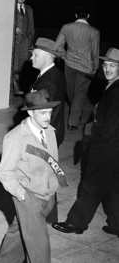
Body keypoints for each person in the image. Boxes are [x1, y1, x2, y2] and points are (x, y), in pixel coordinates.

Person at [53, 47, 119, 238]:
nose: (107, 69)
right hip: (113, 149)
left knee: (90, 186)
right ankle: (116, 224)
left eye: (112, 66)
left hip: (106, 148)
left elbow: (110, 127)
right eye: (106, 65)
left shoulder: (116, 92)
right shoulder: (112, 87)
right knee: (112, 187)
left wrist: (93, 144)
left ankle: (76, 222)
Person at [0, 89, 65, 263]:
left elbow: (53, 161)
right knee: (39, 246)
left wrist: (53, 186)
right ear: (31, 113)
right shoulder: (16, 137)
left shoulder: (50, 131)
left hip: (46, 194)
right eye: (43, 113)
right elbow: (4, 172)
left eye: (49, 112)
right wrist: (21, 195)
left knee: (18, 232)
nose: (47, 117)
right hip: (28, 196)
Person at [54, 7, 100, 130]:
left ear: (75, 15)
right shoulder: (94, 32)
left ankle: (73, 122)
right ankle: (88, 110)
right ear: (88, 16)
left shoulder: (66, 27)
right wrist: (95, 68)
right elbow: (95, 52)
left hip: (69, 65)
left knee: (73, 94)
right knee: (78, 94)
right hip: (86, 68)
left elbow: (57, 46)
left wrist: (65, 56)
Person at [29, 37, 67, 145]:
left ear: (47, 57)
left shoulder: (48, 82)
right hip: (52, 131)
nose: (31, 58)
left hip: (45, 135)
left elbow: (42, 114)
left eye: (35, 55)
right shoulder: (55, 73)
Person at [12, 0, 35, 94]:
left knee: (23, 65)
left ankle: (21, 86)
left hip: (25, 42)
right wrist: (14, 29)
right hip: (14, 42)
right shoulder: (11, 6)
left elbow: (31, 27)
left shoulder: (29, 9)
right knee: (14, 64)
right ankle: (14, 86)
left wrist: (30, 42)